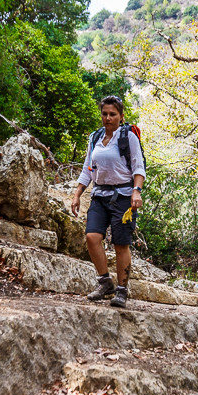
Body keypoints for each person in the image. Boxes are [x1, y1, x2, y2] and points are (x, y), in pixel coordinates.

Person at [71, 96, 145, 308]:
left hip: (123, 198)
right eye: (104, 114)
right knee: (92, 237)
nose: (108, 118)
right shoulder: (95, 137)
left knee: (120, 244)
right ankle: (105, 282)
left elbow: (138, 167)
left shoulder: (128, 137)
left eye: (113, 114)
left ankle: (122, 290)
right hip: (99, 195)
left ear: (121, 116)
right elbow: (88, 168)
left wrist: (136, 191)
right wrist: (77, 194)